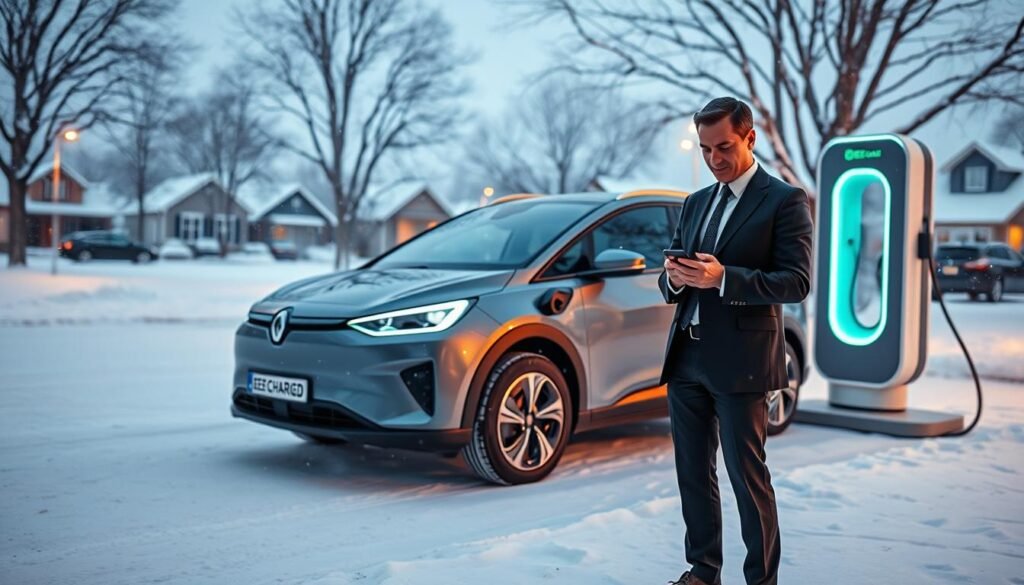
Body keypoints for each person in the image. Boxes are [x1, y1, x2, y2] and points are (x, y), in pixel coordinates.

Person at [658, 97, 813, 585]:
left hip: (743, 361)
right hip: (687, 355)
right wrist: (677, 279)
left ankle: (761, 580)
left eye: (723, 147)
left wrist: (725, 278)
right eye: (705, 150)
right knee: (692, 475)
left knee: (748, 479)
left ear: (750, 137)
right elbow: (672, 288)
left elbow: (796, 281)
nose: (714, 159)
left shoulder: (784, 200)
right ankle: (703, 571)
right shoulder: (696, 202)